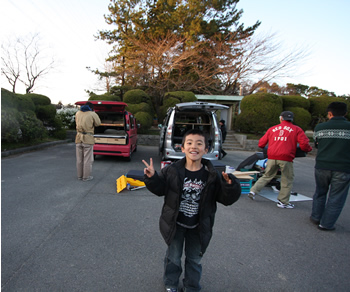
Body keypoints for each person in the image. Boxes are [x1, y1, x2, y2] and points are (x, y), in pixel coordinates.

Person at [142, 129, 241, 292]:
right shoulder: (172, 170)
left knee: (194, 259)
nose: (193, 147)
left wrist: (230, 186)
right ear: (182, 148)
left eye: (199, 143)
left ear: (206, 150)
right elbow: (160, 189)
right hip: (176, 224)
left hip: (199, 226)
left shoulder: (212, 175)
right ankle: (171, 283)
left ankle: (191, 286)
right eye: (189, 143)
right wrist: (152, 178)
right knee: (173, 257)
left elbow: (226, 199)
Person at [247, 111, 312, 208]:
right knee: (287, 179)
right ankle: (283, 202)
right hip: (286, 158)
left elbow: (261, 144)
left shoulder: (272, 129)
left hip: (272, 157)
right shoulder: (296, 129)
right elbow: (304, 144)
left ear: (281, 118)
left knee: (267, 175)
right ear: (292, 119)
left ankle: (253, 190)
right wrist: (308, 150)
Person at [310, 102, 350, 231]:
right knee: (336, 197)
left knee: (320, 192)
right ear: (345, 113)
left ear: (330, 113)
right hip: (343, 167)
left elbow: (317, 144)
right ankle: (326, 224)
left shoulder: (320, 128)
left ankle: (316, 217)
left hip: (322, 165)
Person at [75, 102, 101, 181]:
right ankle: (86, 177)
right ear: (91, 108)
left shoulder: (78, 113)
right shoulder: (92, 114)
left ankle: (80, 176)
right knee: (87, 159)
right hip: (88, 138)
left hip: (78, 138)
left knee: (79, 159)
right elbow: (98, 124)